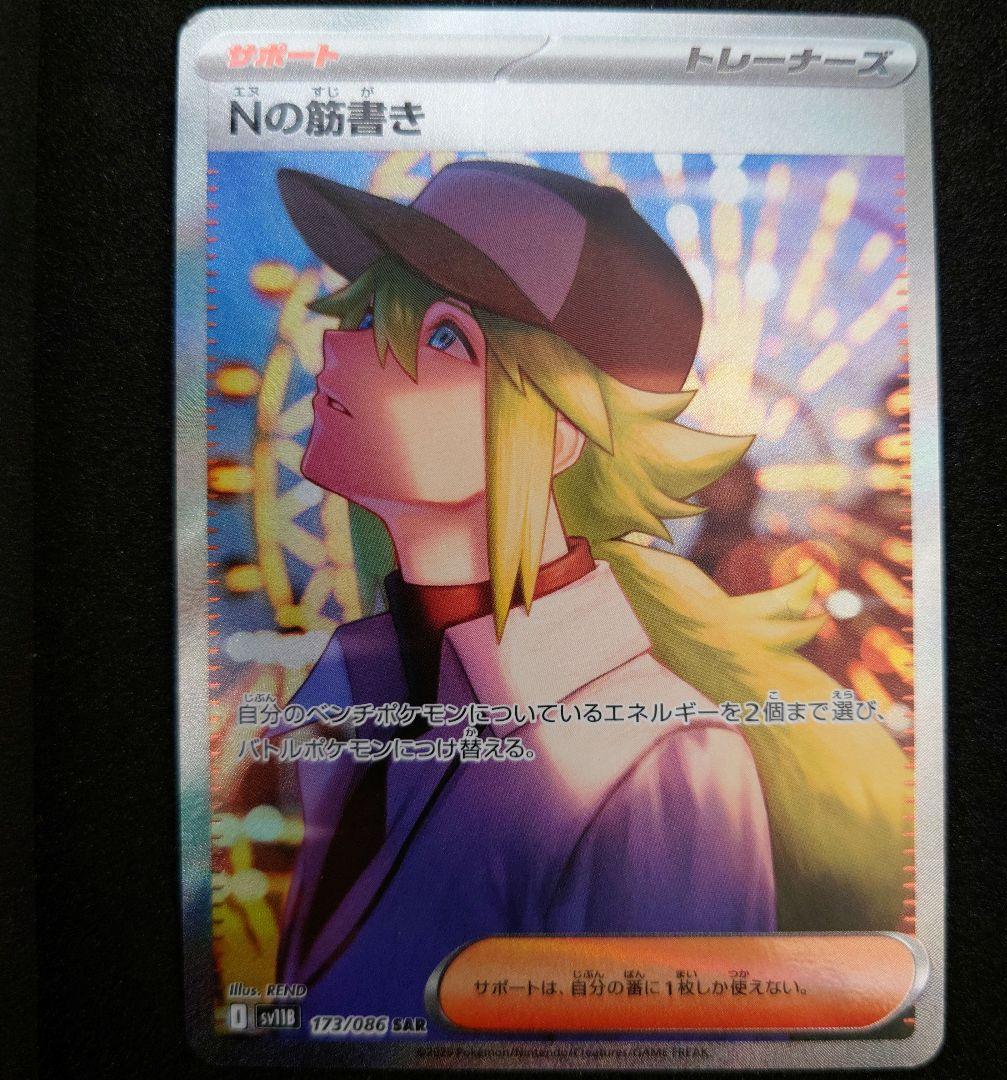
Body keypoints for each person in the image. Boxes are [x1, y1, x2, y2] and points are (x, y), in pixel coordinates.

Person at [271, 161, 908, 1019]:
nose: (343, 349)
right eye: (370, 314)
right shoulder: (355, 691)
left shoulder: (662, 767)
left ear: (562, 434)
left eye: (445, 338)